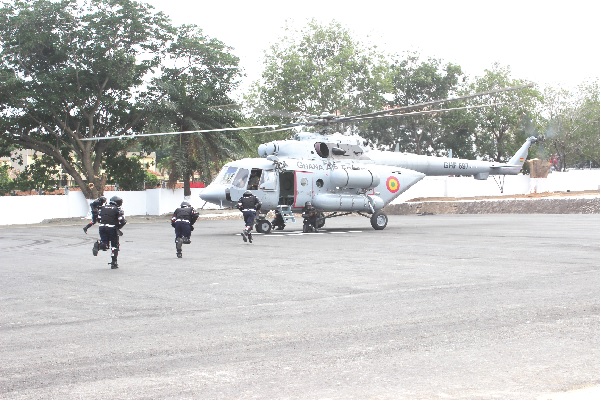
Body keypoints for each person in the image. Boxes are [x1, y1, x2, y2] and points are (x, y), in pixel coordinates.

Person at [92, 195, 126, 269]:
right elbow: (122, 221)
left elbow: (99, 219)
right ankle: (114, 263)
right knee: (114, 246)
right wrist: (118, 227)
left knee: (105, 245)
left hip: (102, 227)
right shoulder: (117, 209)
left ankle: (98, 245)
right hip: (112, 228)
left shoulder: (103, 208)